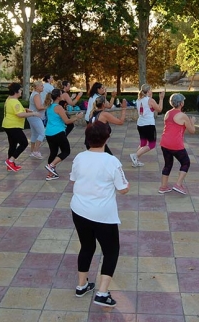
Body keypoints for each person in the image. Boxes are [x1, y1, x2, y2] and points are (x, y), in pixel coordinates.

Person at [70, 121, 129, 308]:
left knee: (87, 246)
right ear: (107, 138)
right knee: (111, 251)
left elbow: (74, 178)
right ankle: (102, 293)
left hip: (79, 210)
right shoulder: (112, 161)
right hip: (103, 214)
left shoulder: (79, 157)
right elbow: (123, 189)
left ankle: (82, 286)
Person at [157, 93, 195, 195]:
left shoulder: (167, 113)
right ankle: (178, 184)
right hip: (175, 144)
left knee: (168, 164)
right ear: (181, 103)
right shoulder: (183, 116)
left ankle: (163, 187)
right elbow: (192, 131)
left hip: (164, 143)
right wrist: (192, 122)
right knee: (186, 162)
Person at [44, 89, 84, 180]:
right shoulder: (58, 107)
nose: (63, 95)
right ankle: (51, 166)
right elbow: (67, 121)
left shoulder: (49, 106)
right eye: (61, 94)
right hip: (57, 132)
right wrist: (77, 117)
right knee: (66, 151)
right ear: (58, 97)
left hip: (49, 133)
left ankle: (50, 174)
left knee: (53, 152)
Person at [2, 83, 41, 171]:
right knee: (24, 143)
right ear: (16, 91)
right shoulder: (15, 101)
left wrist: (25, 109)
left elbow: (15, 109)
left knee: (13, 145)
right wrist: (33, 113)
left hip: (7, 125)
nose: (21, 91)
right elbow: (20, 114)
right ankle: (11, 160)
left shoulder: (9, 99)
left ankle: (10, 165)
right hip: (13, 126)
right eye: (20, 90)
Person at [130, 84, 164, 167]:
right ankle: (135, 156)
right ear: (148, 91)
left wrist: (150, 97)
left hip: (140, 124)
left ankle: (135, 160)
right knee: (151, 144)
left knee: (143, 143)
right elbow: (159, 109)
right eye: (151, 90)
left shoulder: (139, 99)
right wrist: (161, 98)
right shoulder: (150, 100)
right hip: (148, 124)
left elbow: (150, 109)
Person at [28, 80, 46, 159]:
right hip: (35, 116)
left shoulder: (35, 94)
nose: (43, 87)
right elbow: (39, 107)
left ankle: (32, 151)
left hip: (32, 116)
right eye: (41, 86)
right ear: (37, 87)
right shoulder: (36, 95)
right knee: (42, 133)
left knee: (34, 134)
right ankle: (36, 151)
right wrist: (48, 106)